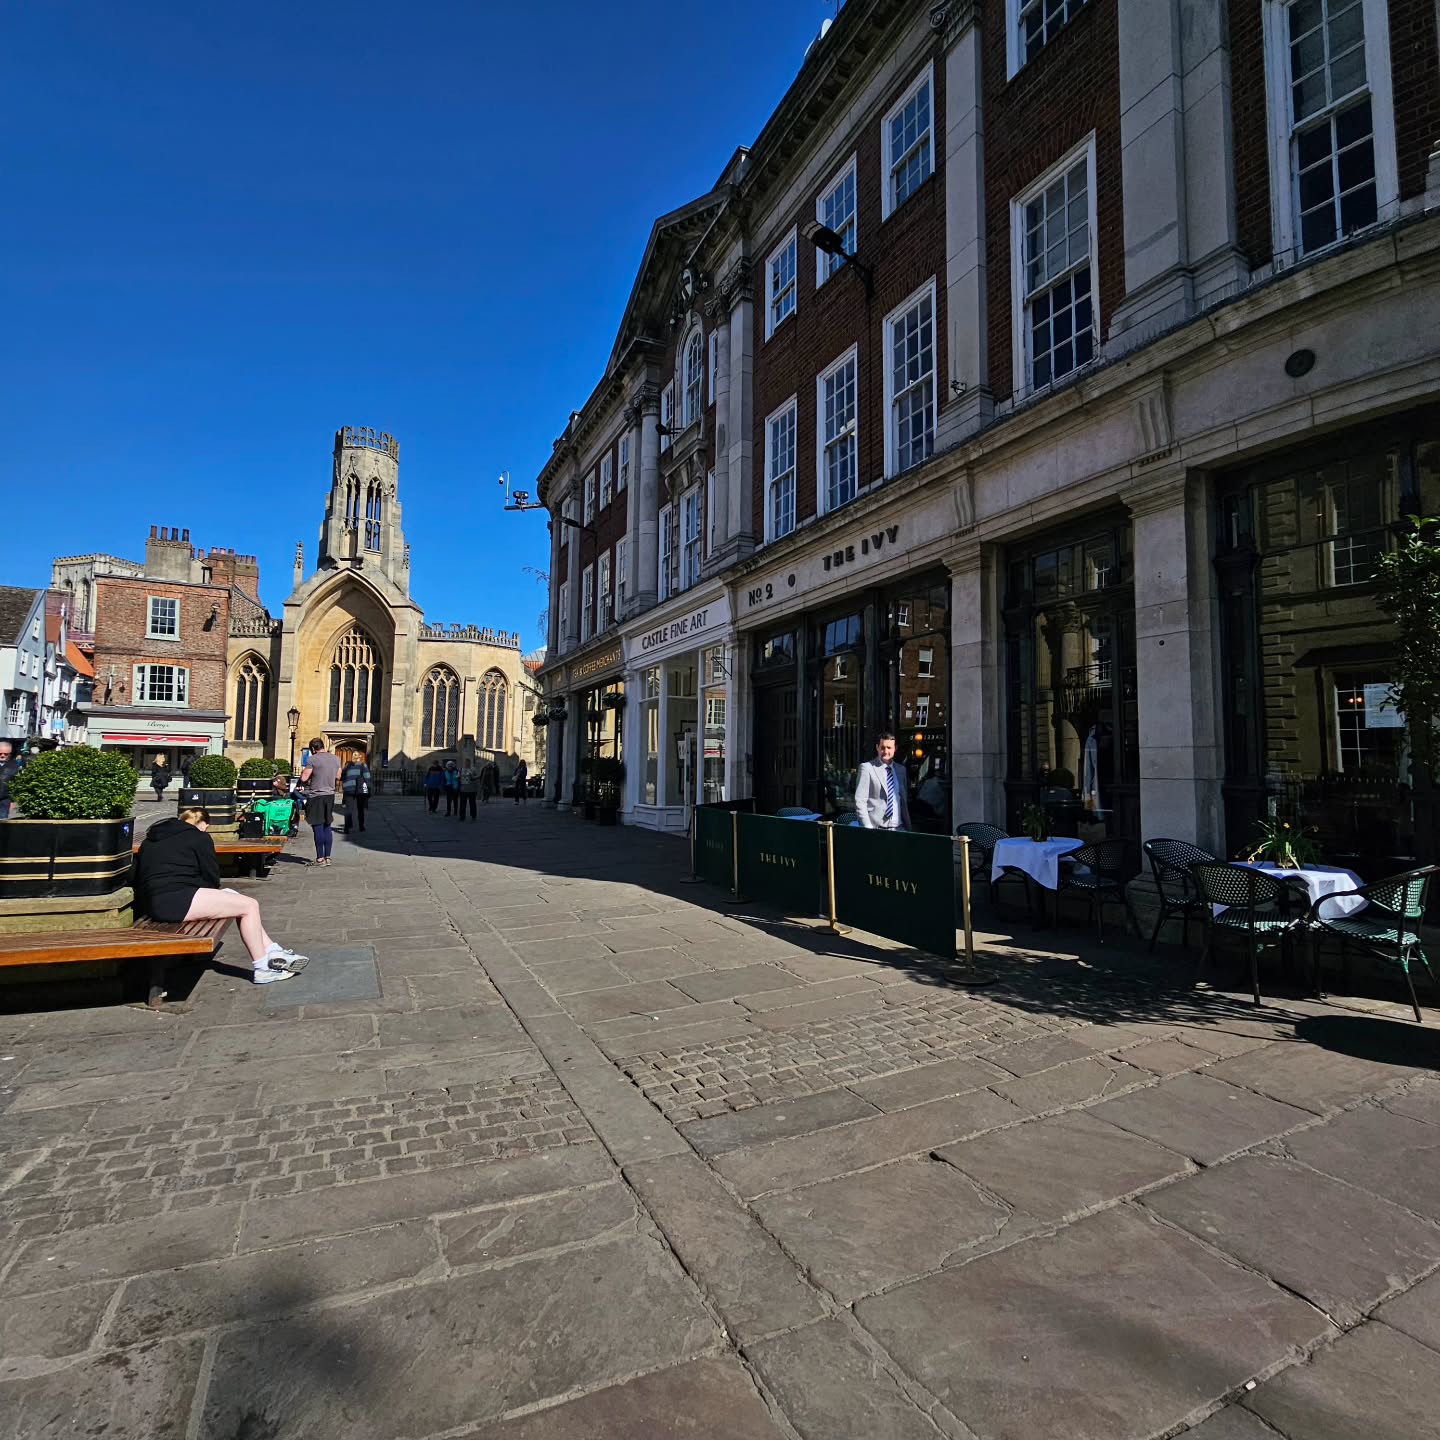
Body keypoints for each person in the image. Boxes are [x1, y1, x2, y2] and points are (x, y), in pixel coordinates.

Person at [134, 806, 306, 983]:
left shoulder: (150, 841)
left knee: (234, 897)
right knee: (249, 906)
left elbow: (139, 874)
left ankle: (272, 950)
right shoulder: (198, 838)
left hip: (156, 901)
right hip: (177, 901)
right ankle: (262, 968)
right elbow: (211, 876)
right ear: (202, 824)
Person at [854, 732, 911, 831]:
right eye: (882, 747)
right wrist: (868, 828)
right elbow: (860, 801)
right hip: (877, 828)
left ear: (895, 749)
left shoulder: (901, 770)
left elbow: (903, 800)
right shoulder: (867, 768)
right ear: (877, 747)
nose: (885, 751)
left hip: (900, 828)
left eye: (889, 748)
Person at [300, 737, 341, 866]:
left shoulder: (313, 759)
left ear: (313, 748)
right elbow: (338, 776)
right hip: (330, 795)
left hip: (316, 795)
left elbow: (304, 777)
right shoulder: (335, 758)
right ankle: (328, 857)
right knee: (327, 826)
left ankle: (320, 858)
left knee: (317, 825)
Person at [340, 749, 372, 834]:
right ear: (360, 756)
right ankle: (361, 826)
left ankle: (346, 828)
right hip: (359, 789)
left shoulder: (347, 765)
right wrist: (369, 789)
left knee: (348, 809)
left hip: (348, 789)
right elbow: (367, 778)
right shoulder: (362, 765)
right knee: (360, 808)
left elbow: (342, 777)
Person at [0, 740, 19, 820]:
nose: (2, 755)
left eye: (6, 754)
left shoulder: (14, 766)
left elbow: (15, 784)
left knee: (3, 821)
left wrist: (12, 801)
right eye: (0, 753)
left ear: (10, 754)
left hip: (5, 799)